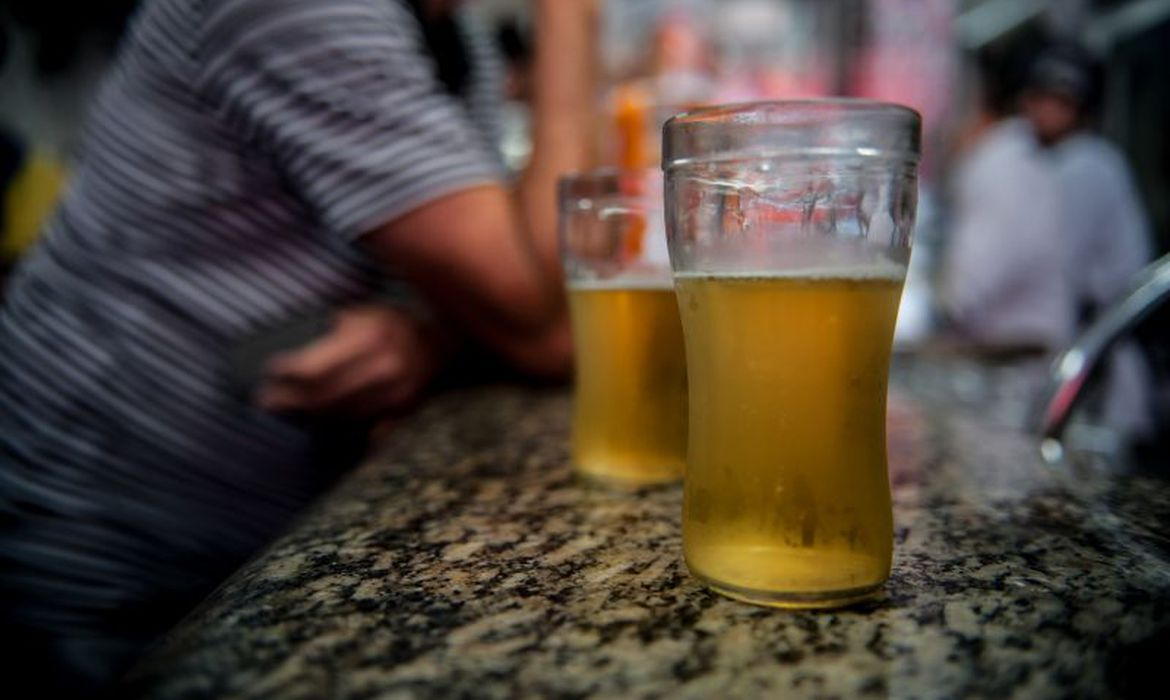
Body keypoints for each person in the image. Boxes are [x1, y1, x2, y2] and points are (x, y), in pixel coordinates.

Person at [0, 0, 595, 694]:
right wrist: (570, 19)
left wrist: (435, 330)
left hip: (252, 547)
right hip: (102, 555)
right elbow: (549, 326)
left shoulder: (446, 24)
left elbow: (516, 279)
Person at [1021, 45, 1155, 440]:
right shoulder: (1080, 159)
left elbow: (1062, 269)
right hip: (1099, 341)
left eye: (1055, 101)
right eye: (1037, 97)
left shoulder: (1084, 164)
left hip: (1104, 354)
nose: (1040, 110)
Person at [940, 53, 1074, 356]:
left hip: (1022, 359)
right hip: (1018, 353)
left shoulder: (1001, 167)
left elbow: (967, 290)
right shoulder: (1012, 160)